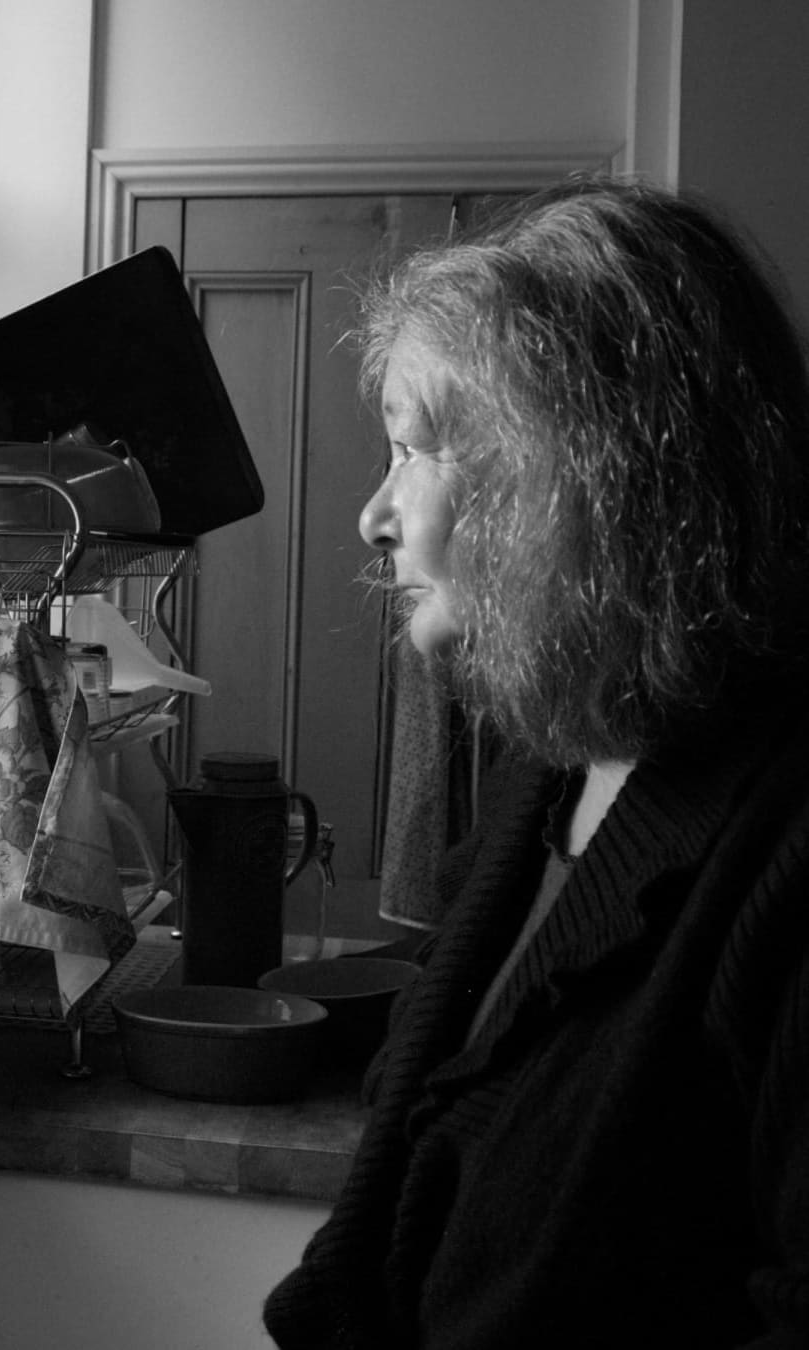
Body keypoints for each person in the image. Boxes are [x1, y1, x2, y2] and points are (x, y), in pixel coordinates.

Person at [263, 176, 809, 1349]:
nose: (374, 516)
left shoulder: (789, 852)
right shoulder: (555, 772)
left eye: (415, 451)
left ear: (582, 478)